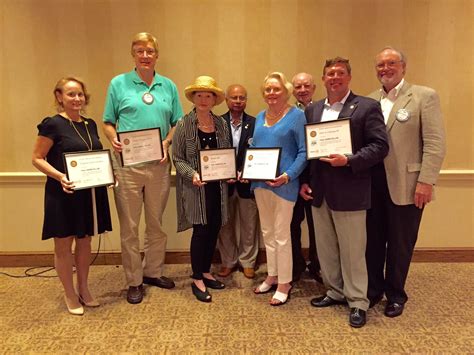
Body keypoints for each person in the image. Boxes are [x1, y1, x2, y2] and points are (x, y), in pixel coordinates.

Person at [300, 57, 389, 328]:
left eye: (340, 73)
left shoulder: (366, 107)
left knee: (353, 251)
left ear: (349, 77)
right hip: (320, 191)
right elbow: (308, 151)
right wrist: (305, 181)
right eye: (330, 73)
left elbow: (380, 146)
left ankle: (358, 301)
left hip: (351, 190)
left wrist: (349, 160)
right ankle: (335, 291)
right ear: (324, 79)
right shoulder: (313, 110)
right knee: (326, 250)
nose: (335, 77)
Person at [103, 32, 183, 304]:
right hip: (127, 167)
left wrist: (168, 141)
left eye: (150, 51)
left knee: (156, 224)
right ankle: (134, 281)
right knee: (129, 227)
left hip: (159, 166)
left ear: (156, 55)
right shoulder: (119, 83)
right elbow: (107, 121)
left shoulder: (168, 86)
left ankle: (152, 271)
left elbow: (177, 122)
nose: (145, 56)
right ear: (133, 54)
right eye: (140, 51)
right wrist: (112, 137)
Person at [366, 47, 446, 317]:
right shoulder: (368, 100)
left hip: (408, 184)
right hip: (372, 185)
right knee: (373, 242)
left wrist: (426, 181)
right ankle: (373, 290)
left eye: (391, 63)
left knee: (401, 243)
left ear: (403, 67)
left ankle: (396, 295)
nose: (385, 69)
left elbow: (435, 143)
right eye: (380, 65)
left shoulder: (424, 96)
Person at [32, 77, 112, 315]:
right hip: (63, 193)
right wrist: (60, 177)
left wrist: (107, 176)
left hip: (89, 194)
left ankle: (84, 288)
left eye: (80, 94)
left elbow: (96, 157)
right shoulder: (52, 124)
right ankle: (69, 293)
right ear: (59, 97)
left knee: (85, 241)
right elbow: (37, 158)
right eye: (71, 94)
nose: (77, 99)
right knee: (64, 244)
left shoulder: (90, 124)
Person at [173, 76, 230, 303]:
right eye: (200, 95)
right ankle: (197, 277)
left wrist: (230, 170)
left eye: (208, 95)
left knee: (214, 227)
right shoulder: (183, 124)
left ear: (214, 100)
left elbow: (227, 155)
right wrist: (192, 174)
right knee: (200, 232)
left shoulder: (222, 124)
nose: (204, 99)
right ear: (194, 98)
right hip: (196, 188)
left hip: (218, 187)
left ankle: (206, 271)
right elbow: (177, 158)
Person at [252, 72, 307, 306]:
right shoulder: (259, 117)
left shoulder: (297, 116)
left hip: (284, 185)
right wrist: (249, 167)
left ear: (286, 92)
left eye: (276, 89)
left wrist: (287, 176)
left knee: (282, 235)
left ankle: (285, 282)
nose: (271, 93)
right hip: (260, 184)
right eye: (267, 90)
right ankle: (272, 275)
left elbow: (304, 152)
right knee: (268, 233)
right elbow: (255, 146)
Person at [217, 84, 259, 279]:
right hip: (223, 184)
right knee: (225, 225)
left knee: (249, 225)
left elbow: (258, 152)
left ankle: (248, 262)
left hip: (247, 183)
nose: (238, 101)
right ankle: (228, 261)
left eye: (242, 97)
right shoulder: (217, 123)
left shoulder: (256, 123)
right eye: (234, 97)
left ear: (246, 100)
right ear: (226, 100)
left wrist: (248, 171)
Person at [290, 73, 321, 282]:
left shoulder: (323, 111)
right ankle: (295, 265)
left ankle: (317, 265)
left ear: (314, 87)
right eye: (298, 86)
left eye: (306, 85)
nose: (302, 89)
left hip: (318, 178)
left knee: (317, 226)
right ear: (292, 90)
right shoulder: (287, 113)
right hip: (292, 179)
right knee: (292, 225)